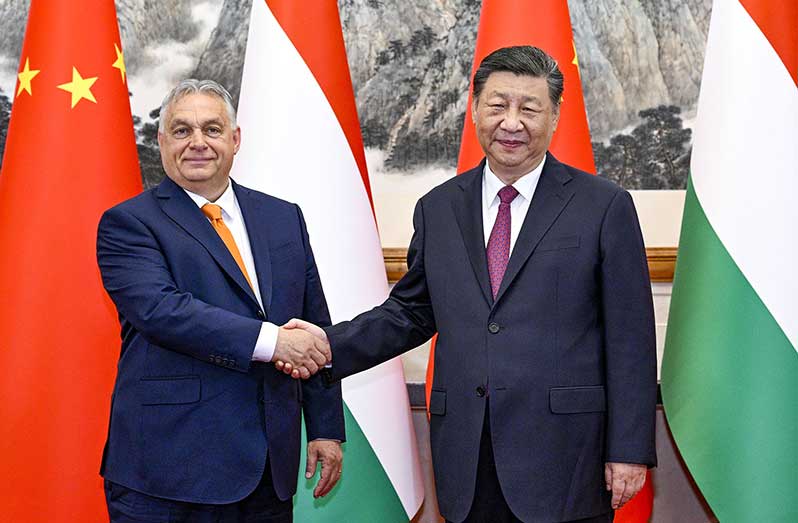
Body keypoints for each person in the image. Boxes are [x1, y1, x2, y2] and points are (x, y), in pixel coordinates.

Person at [281, 46, 657, 523]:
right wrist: (326, 344)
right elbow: (411, 313)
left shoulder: (603, 206)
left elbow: (631, 339)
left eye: (530, 108)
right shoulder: (438, 208)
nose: (512, 122)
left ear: (556, 116)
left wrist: (628, 449)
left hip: (567, 457)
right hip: (467, 454)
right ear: (475, 109)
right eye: (498, 105)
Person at [96, 79, 344, 523]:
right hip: (169, 475)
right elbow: (162, 310)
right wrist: (273, 342)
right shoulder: (129, 223)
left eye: (212, 129)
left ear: (235, 139)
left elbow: (312, 324)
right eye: (181, 130)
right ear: (161, 141)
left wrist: (325, 428)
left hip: (269, 472)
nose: (198, 143)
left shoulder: (282, 217)